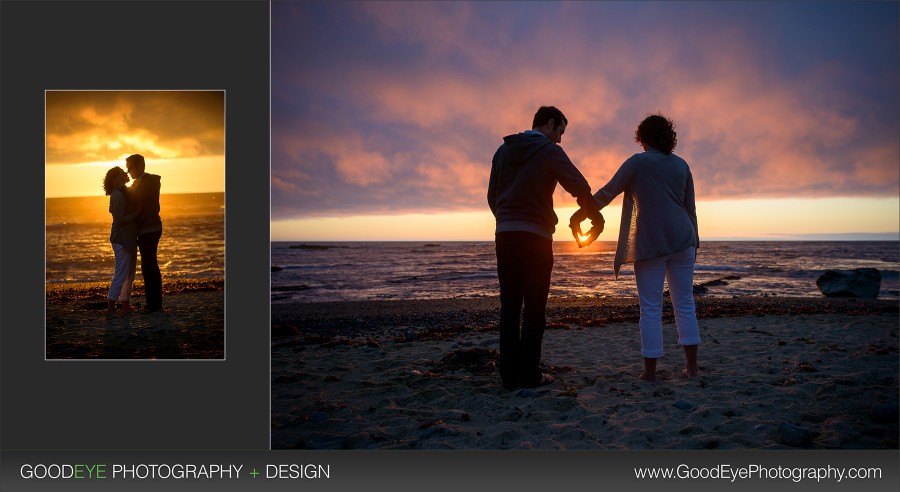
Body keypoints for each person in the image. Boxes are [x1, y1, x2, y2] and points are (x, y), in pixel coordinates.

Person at [571, 113, 700, 382]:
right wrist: (694, 242)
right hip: (683, 238)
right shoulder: (682, 165)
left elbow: (608, 192)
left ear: (642, 138)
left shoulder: (637, 163)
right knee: (685, 304)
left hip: (651, 241)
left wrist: (582, 213)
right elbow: (691, 209)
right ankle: (692, 369)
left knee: (651, 307)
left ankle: (650, 373)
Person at [488, 106, 604, 390]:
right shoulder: (548, 150)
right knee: (535, 307)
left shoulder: (502, 152)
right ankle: (528, 374)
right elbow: (578, 184)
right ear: (550, 124)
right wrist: (593, 214)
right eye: (560, 132)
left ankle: (508, 374)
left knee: (510, 306)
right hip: (536, 237)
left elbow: (492, 196)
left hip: (504, 234)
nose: (561, 139)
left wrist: (507, 219)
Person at [125, 154, 163, 312]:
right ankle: (153, 304)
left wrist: (120, 187)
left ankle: (154, 305)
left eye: (130, 167)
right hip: (146, 229)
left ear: (140, 165)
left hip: (150, 228)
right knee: (148, 265)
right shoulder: (140, 181)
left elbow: (135, 198)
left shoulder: (148, 181)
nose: (128, 171)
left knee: (149, 266)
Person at [103, 167, 140, 314]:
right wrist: (136, 214)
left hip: (127, 237)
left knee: (129, 272)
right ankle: (111, 304)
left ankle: (125, 303)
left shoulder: (123, 192)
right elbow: (120, 219)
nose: (124, 174)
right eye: (120, 174)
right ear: (114, 179)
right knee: (121, 272)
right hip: (121, 237)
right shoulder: (118, 195)